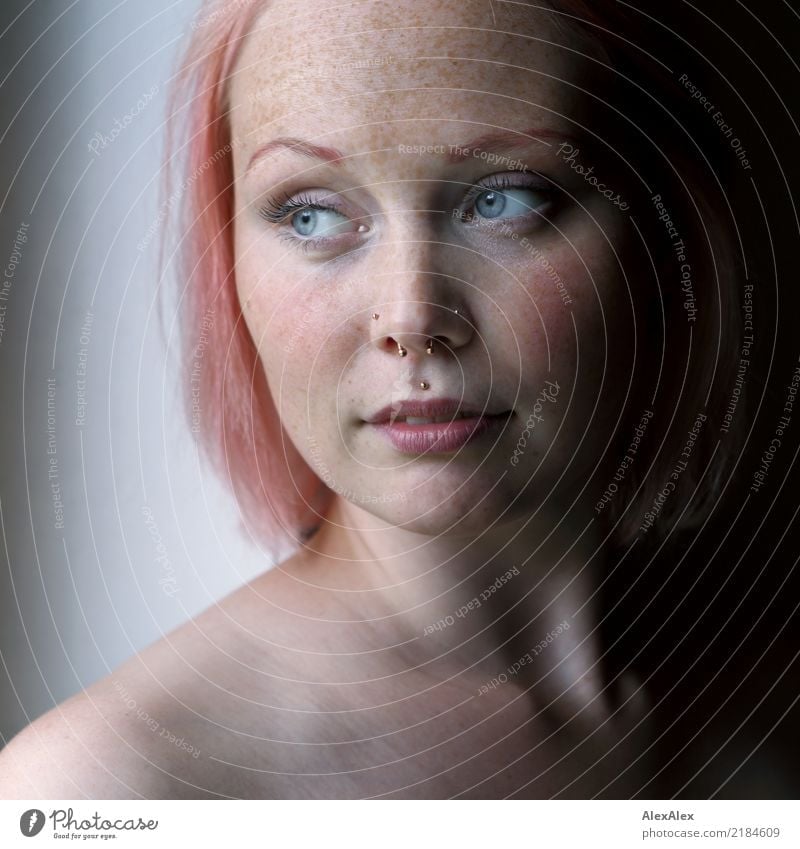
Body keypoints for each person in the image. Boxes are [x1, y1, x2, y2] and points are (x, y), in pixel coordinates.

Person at [0, 0, 793, 799]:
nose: (411, 319)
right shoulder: (105, 787)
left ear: (666, 239)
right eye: (310, 214)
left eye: (504, 201)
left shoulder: (756, 696)